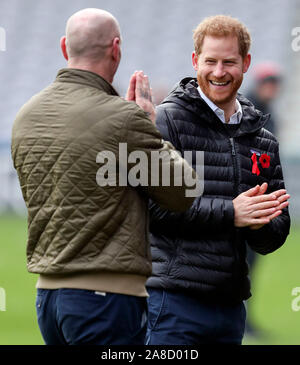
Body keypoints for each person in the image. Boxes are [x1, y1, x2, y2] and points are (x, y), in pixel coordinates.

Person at [11, 8, 196, 345]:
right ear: (116, 48)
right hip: (106, 298)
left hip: (48, 297)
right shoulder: (124, 118)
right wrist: (149, 125)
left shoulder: (26, 115)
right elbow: (181, 191)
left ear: (65, 47)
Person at [145, 15, 290, 345]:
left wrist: (261, 223)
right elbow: (154, 210)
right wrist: (232, 213)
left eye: (229, 62)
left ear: (246, 63)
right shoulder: (168, 121)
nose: (219, 71)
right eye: (210, 61)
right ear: (196, 61)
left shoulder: (262, 138)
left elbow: (275, 233)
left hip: (230, 309)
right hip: (173, 304)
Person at [245, 61, 282, 336]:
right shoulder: (248, 112)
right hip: (246, 198)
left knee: (250, 263)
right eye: (267, 81)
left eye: (275, 82)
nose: (271, 87)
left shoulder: (269, 114)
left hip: (261, 201)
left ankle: (244, 319)